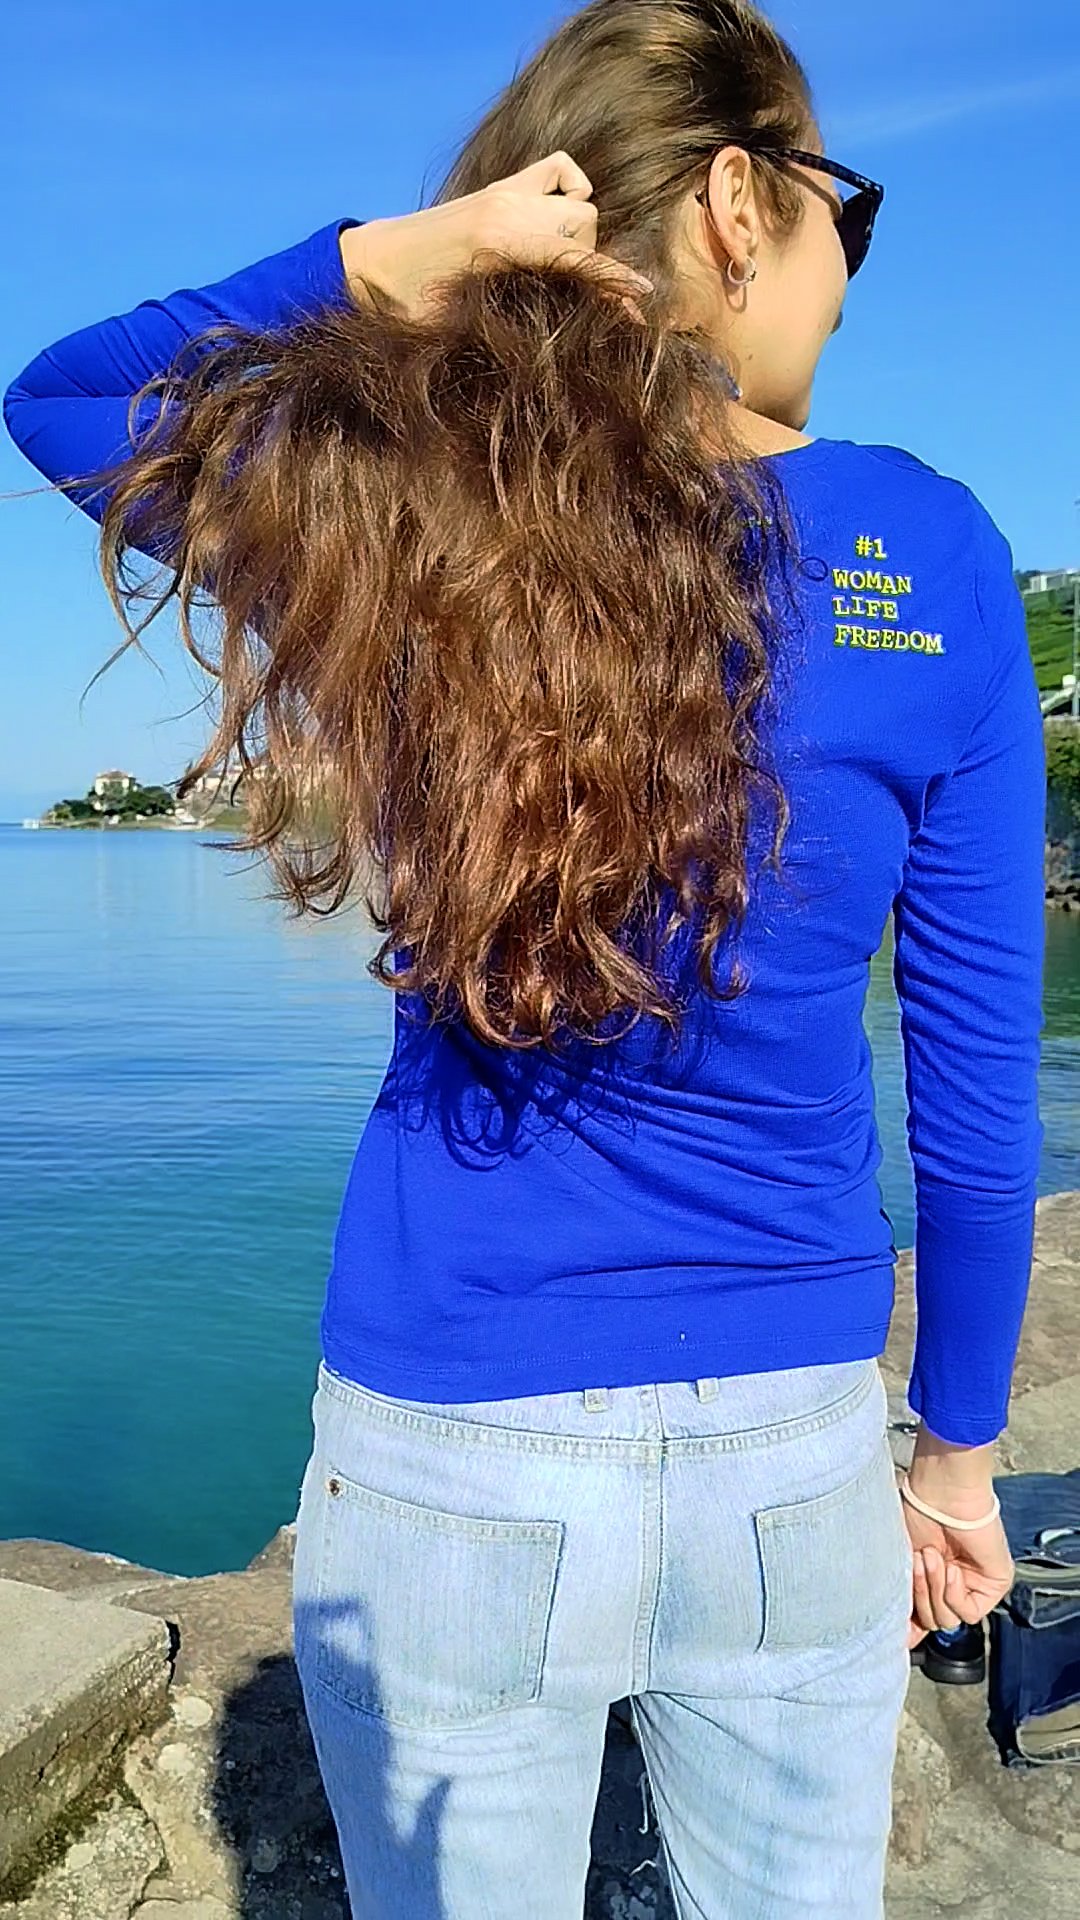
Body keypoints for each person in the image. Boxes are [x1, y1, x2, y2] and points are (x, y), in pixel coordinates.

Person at [3, 2, 1045, 1913]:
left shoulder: (412, 531)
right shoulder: (937, 551)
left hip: (451, 1447)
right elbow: (976, 1106)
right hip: (789, 1450)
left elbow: (65, 397)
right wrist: (957, 1466)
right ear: (735, 200)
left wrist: (394, 263)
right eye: (846, 206)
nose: (850, 261)